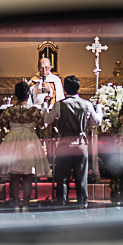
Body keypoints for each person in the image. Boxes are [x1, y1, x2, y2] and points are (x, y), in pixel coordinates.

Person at [45, 75, 103, 208]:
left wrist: (46, 106)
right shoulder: (87, 104)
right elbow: (96, 122)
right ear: (78, 88)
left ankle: (61, 207)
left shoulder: (60, 105)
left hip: (64, 146)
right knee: (81, 179)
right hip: (80, 145)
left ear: (65, 89)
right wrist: (99, 106)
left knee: (62, 179)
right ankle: (82, 208)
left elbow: (47, 120)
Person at [0, 81, 51, 212]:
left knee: (14, 175)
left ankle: (16, 206)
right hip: (29, 140)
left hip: (12, 140)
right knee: (28, 176)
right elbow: (42, 125)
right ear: (28, 95)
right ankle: (25, 206)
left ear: (16, 95)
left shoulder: (9, 110)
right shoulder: (34, 111)